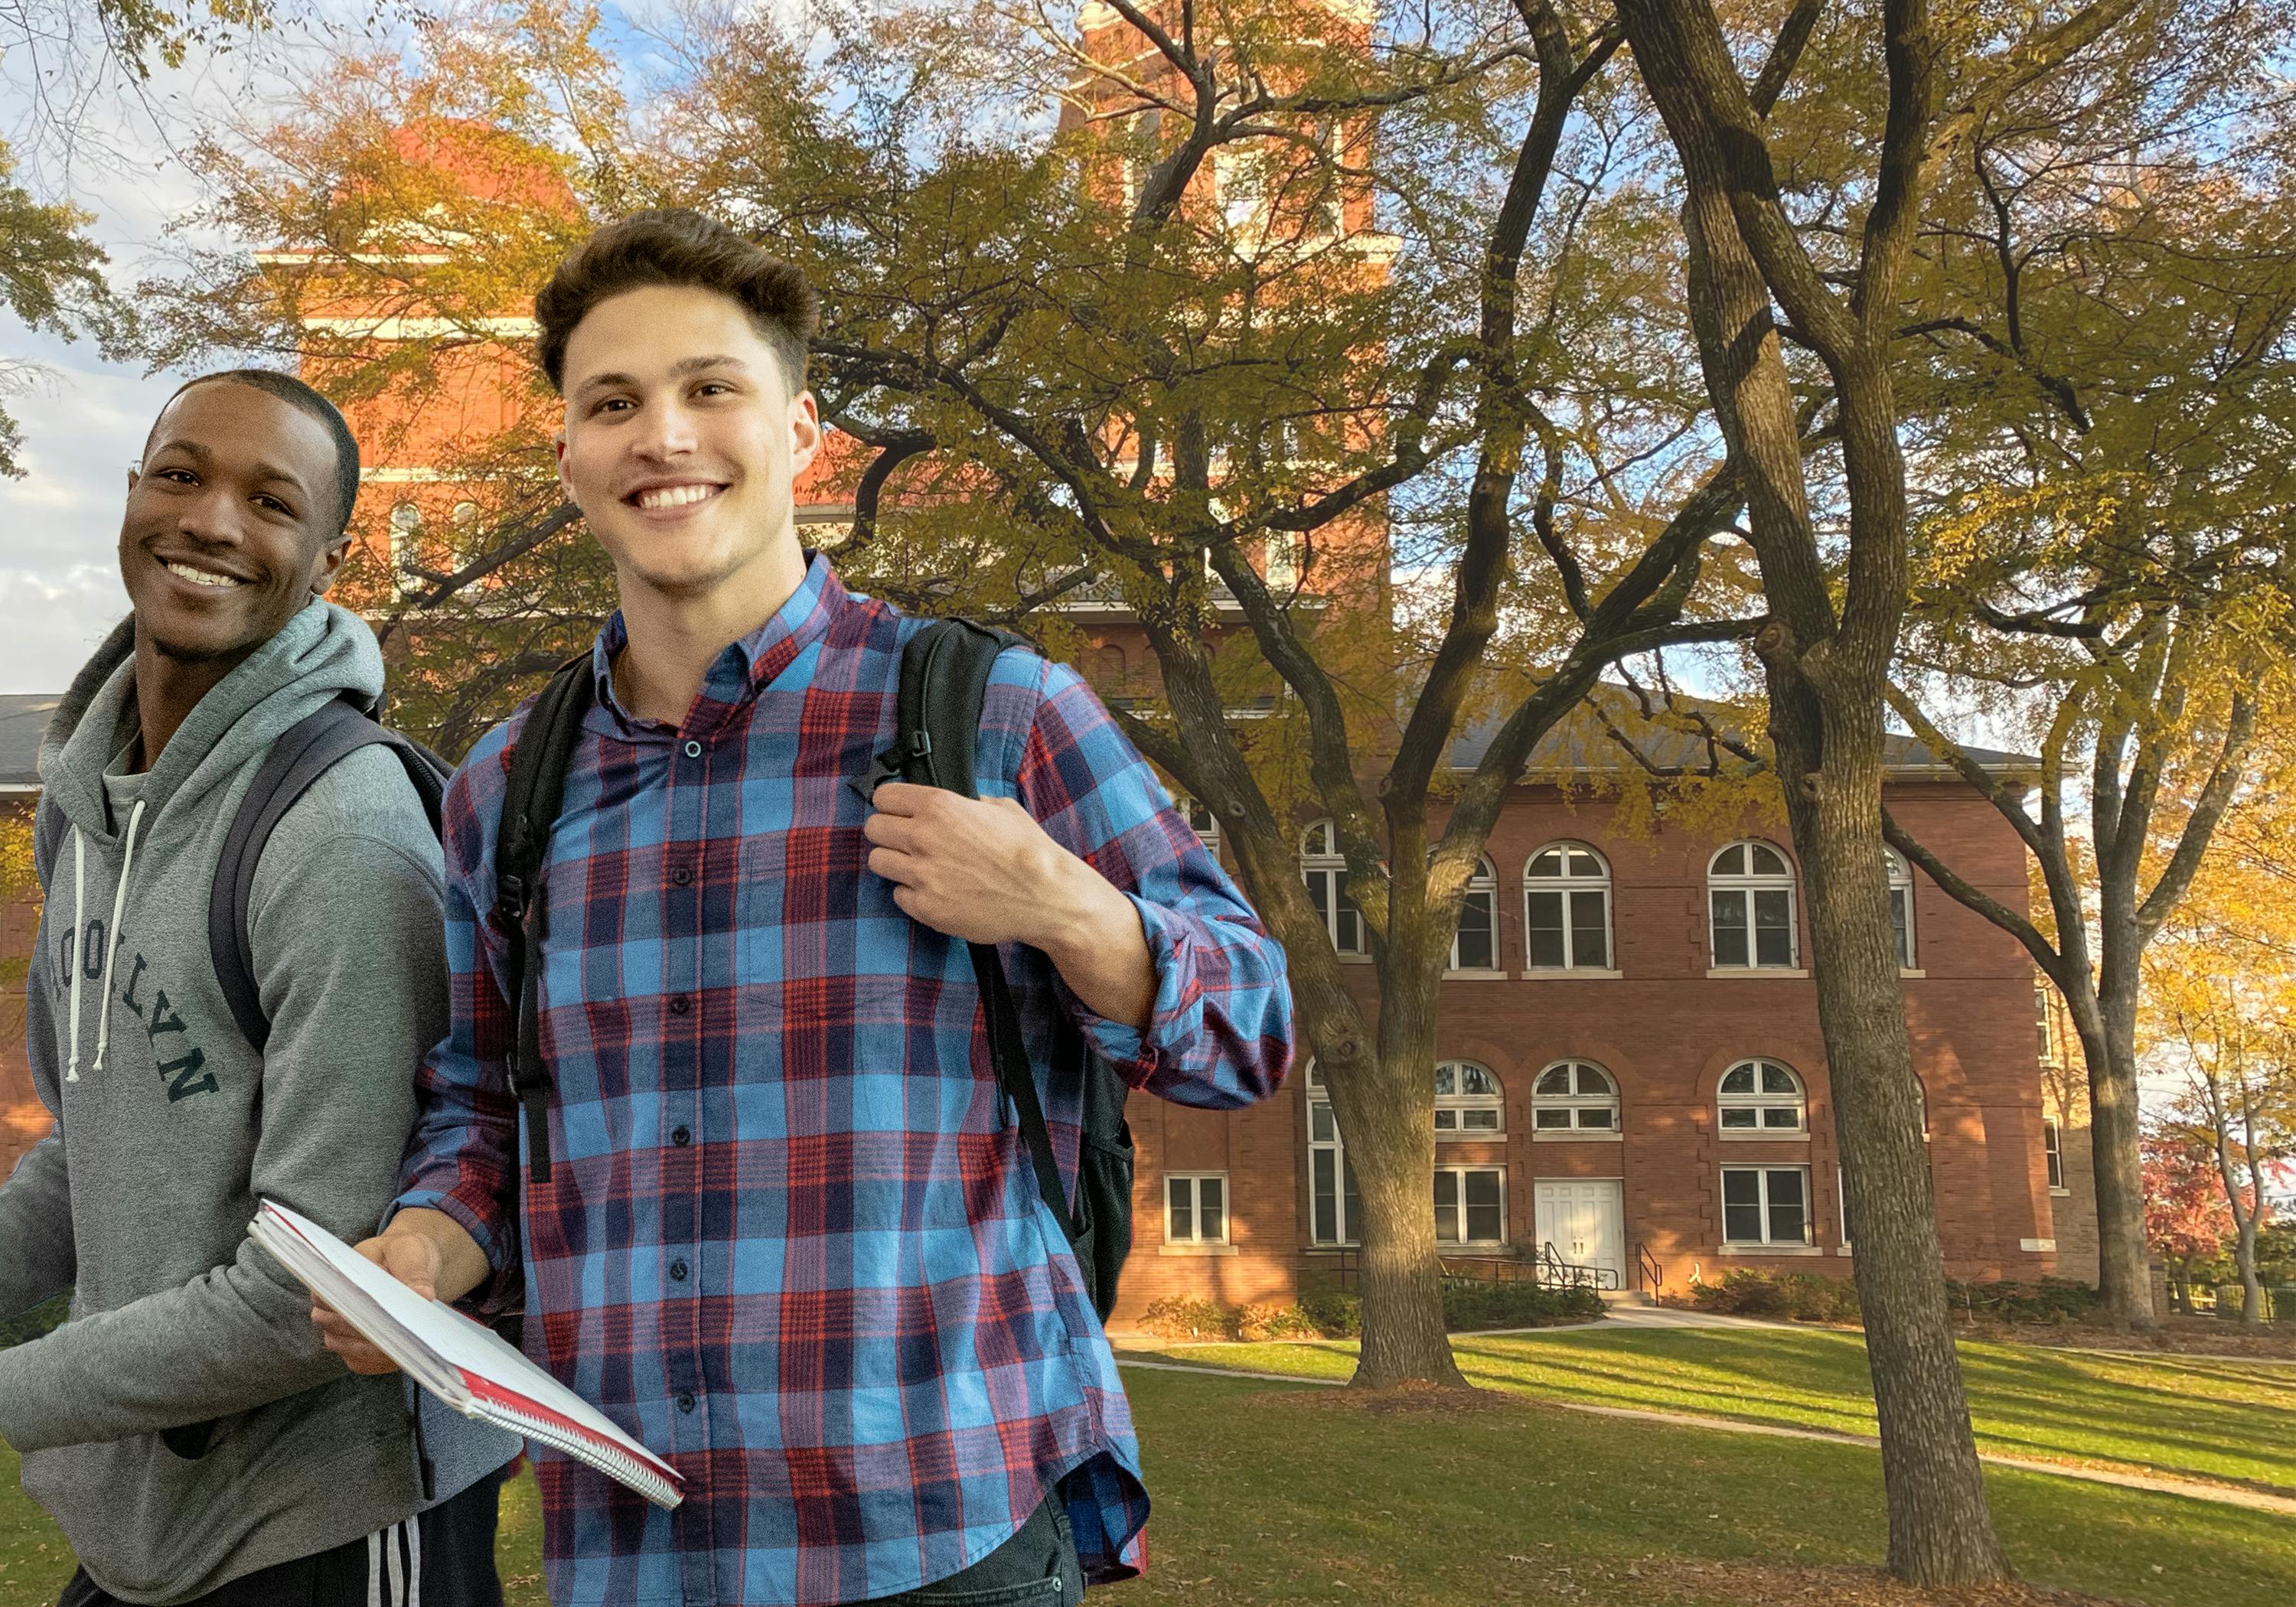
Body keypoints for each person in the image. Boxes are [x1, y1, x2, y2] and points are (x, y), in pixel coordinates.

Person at [315, 209, 1294, 1606]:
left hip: (941, 1525)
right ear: (570, 457)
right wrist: (417, 1254)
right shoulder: (500, 793)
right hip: (632, 1543)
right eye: (614, 402)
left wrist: (1068, 905)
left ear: (803, 433)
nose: (663, 436)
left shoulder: (988, 713)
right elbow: (482, 1111)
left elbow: (1249, 1029)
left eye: (711, 388)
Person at [0, 370, 519, 1606]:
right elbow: (86, 1154)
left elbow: (320, 1288)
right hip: (143, 1520)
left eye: (270, 500)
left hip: (328, 1523)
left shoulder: (341, 837)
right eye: (181, 474)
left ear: (329, 558)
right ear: (132, 494)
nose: (213, 521)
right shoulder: (85, 814)